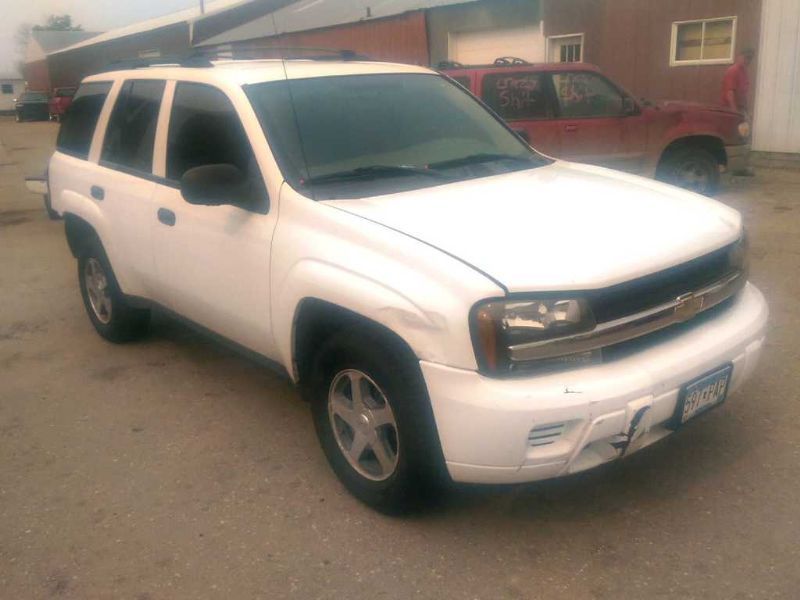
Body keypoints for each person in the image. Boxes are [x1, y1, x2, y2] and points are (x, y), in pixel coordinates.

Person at [721, 48, 755, 117]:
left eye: (750, 59)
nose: (748, 61)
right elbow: (730, 94)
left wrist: (746, 109)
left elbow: (744, 93)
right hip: (729, 111)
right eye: (746, 58)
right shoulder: (733, 71)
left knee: (745, 127)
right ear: (739, 56)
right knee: (734, 127)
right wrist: (735, 113)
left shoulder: (744, 72)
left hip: (740, 110)